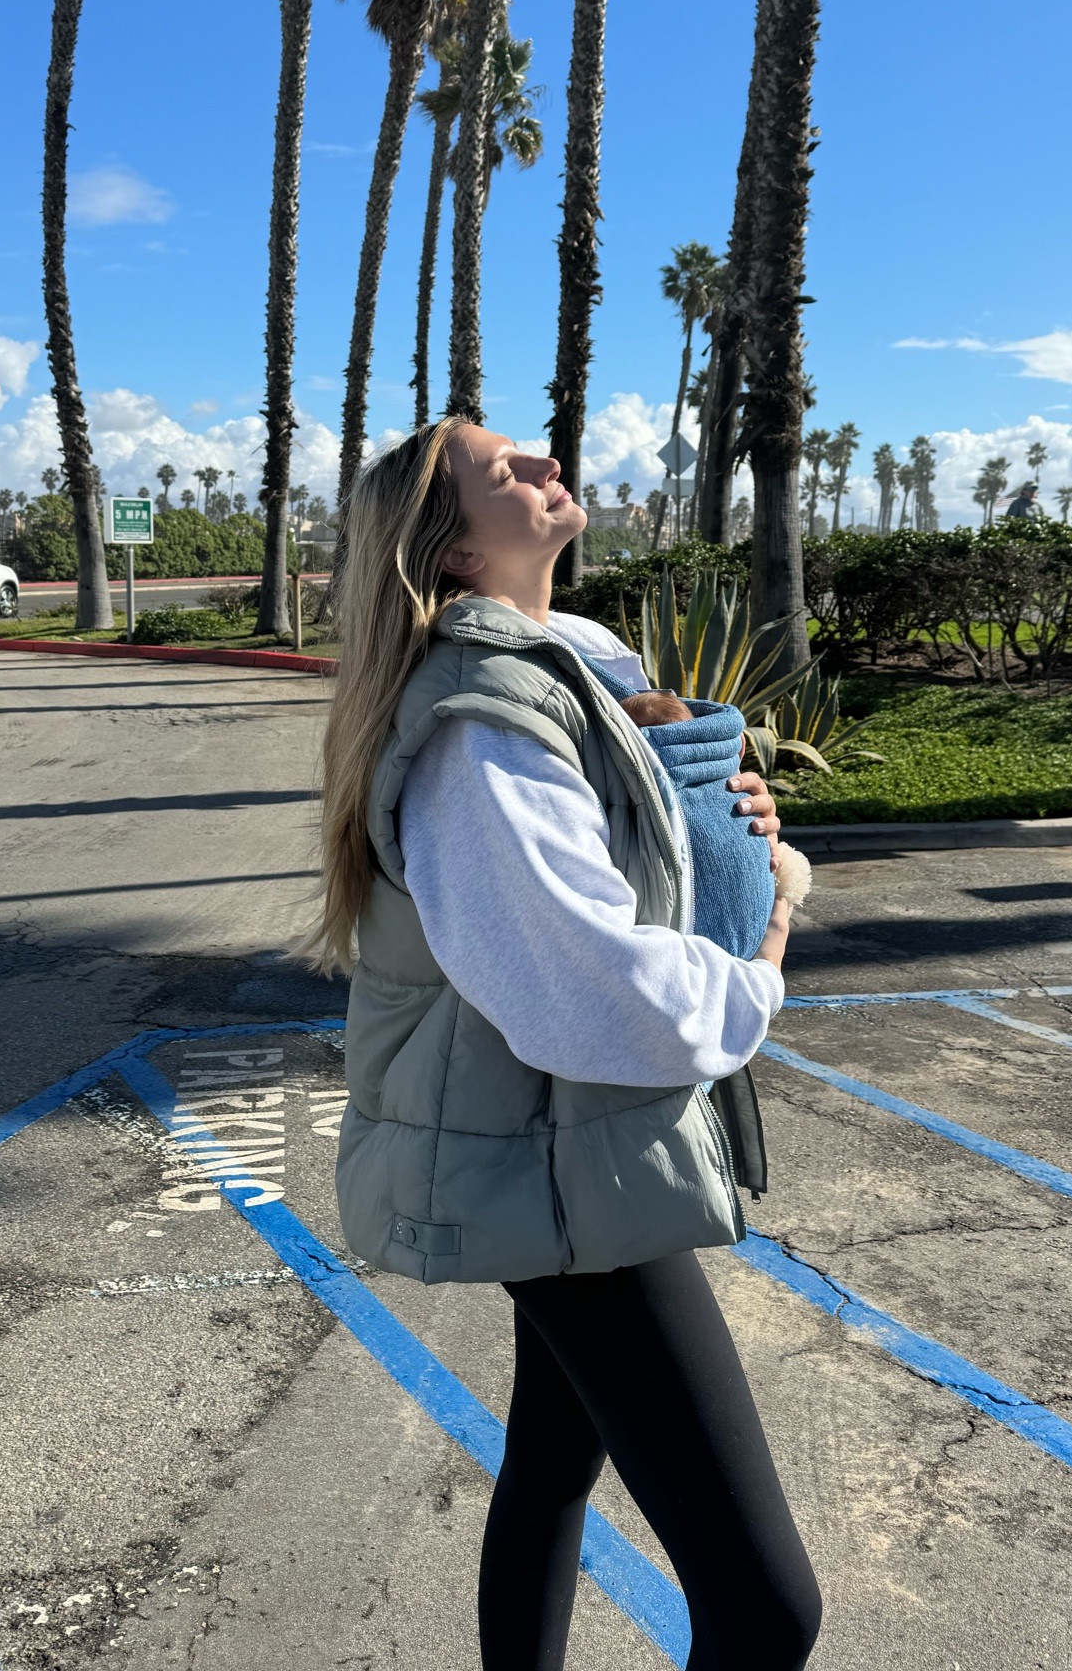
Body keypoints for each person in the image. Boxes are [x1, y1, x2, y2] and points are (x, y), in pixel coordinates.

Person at [317, 418, 822, 1671]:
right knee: (767, 1610)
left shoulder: (576, 663)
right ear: (453, 550)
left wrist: (739, 822)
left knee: (551, 1463)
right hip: (559, 1148)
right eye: (505, 468)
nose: (547, 458)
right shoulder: (480, 723)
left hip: (568, 1134)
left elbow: (636, 859)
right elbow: (582, 982)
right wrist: (764, 957)